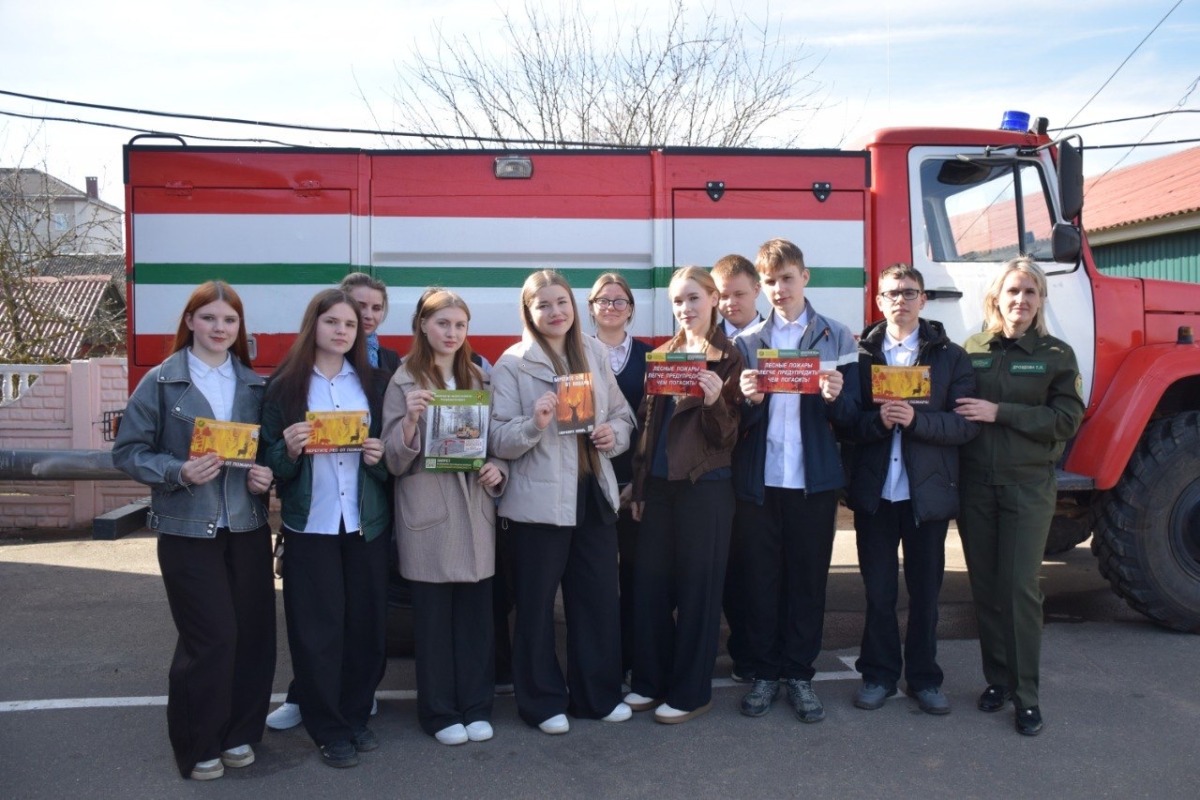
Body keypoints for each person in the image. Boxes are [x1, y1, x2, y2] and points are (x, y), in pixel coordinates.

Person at [113, 281, 276, 781]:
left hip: (247, 525)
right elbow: (128, 452)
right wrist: (177, 470)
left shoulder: (254, 384)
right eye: (209, 318)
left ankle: (240, 734)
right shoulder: (161, 381)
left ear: (239, 327)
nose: (219, 328)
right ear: (190, 322)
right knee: (212, 636)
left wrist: (266, 475)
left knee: (253, 635)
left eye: (229, 320)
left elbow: (268, 452)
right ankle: (199, 743)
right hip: (187, 529)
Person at [489, 269, 636, 735]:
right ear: (528, 312)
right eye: (543, 305)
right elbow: (497, 439)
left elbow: (623, 415)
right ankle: (542, 703)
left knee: (596, 602)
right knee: (535, 608)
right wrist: (533, 423)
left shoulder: (593, 351)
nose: (555, 312)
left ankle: (597, 696)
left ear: (574, 306)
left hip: (592, 495)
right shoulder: (513, 364)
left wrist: (614, 435)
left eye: (561, 302)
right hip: (538, 503)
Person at [261, 288, 391, 768]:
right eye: (332, 322)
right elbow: (269, 462)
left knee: (366, 627)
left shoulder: (376, 384)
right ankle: (328, 728)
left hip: (364, 525)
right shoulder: (284, 388)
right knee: (317, 631)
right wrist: (289, 449)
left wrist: (379, 458)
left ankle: (355, 717)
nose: (341, 331)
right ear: (313, 325)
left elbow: (396, 463)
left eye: (350, 324)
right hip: (310, 525)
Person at [954, 256, 1084, 736]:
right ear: (996, 298)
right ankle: (999, 680)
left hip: (1027, 486)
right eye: (1013, 291)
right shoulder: (971, 349)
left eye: (1030, 292)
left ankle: (1027, 696)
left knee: (1019, 590)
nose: (1021, 300)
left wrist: (1001, 411)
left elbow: (1066, 420)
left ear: (1041, 300)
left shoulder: (1056, 354)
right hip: (976, 486)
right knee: (986, 589)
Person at [732, 238, 860, 723]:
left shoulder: (837, 336)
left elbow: (853, 417)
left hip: (813, 482)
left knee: (807, 582)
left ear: (805, 277)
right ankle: (765, 673)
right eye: (770, 281)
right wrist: (747, 402)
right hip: (761, 483)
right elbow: (731, 425)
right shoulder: (746, 343)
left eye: (787, 278)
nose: (779, 288)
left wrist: (836, 398)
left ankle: (800, 675)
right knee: (760, 582)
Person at [842, 264, 978, 715]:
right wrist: (877, 422)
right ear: (879, 301)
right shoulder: (860, 356)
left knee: (925, 596)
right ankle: (878, 675)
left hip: (927, 496)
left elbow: (964, 425)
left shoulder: (951, 356)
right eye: (891, 293)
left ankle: (924, 679)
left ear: (923, 299)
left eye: (908, 292)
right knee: (879, 594)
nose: (899, 300)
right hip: (876, 495)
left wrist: (917, 421)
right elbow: (845, 424)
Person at [382, 289, 508, 746]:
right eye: (442, 324)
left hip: (474, 510)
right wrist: (409, 423)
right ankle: (438, 713)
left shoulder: (480, 376)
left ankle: (476, 706)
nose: (451, 333)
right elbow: (391, 460)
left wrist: (499, 469)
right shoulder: (403, 381)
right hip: (429, 511)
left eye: (459, 325)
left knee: (476, 620)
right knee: (433, 623)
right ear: (422, 325)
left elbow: (496, 441)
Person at [623, 267, 743, 723]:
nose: (685, 308)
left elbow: (729, 438)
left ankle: (691, 693)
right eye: (677, 301)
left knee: (698, 592)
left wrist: (715, 403)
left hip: (704, 486)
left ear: (713, 298)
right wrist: (639, 484)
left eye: (693, 298)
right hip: (658, 487)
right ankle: (649, 681)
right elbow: (647, 426)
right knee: (650, 587)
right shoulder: (662, 356)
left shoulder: (729, 357)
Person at [587, 271, 652, 680]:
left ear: (630, 309)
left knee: (634, 575)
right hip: (589, 480)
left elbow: (654, 425)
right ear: (591, 307)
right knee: (594, 579)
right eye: (603, 300)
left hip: (633, 483)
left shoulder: (650, 357)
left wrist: (640, 484)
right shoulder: (576, 354)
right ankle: (601, 664)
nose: (611, 307)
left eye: (619, 300)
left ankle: (631, 660)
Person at [710, 253, 764, 683]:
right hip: (719, 469)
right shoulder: (704, 341)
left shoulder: (777, 339)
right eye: (723, 296)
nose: (730, 303)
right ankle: (740, 650)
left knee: (759, 566)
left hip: (765, 467)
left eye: (739, 294)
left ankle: (760, 654)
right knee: (726, 565)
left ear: (757, 290)